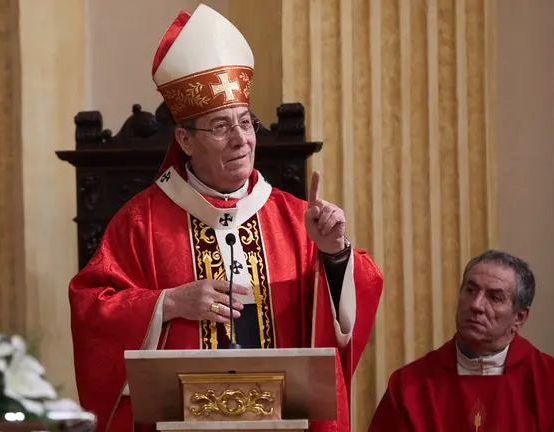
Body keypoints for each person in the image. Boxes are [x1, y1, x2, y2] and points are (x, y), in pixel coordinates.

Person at [68, 5, 384, 432]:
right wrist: (171, 303)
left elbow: (346, 319)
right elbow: (92, 309)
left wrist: (335, 255)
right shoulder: (141, 222)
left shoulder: (295, 220)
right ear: (185, 140)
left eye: (245, 123)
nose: (241, 140)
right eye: (220, 127)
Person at [368, 250, 554, 431]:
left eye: (494, 297)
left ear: (519, 317)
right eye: (470, 290)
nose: (476, 305)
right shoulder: (409, 386)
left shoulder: (553, 384)